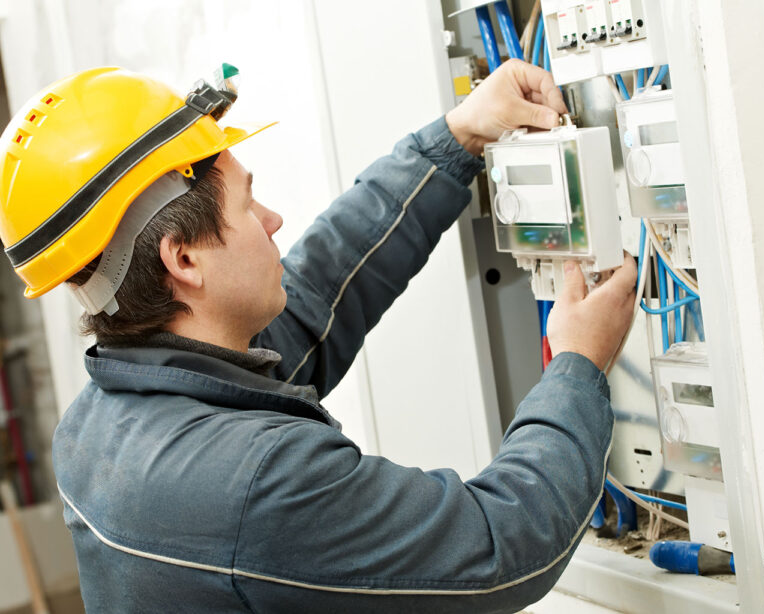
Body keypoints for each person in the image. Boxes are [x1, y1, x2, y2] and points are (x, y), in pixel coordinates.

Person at [0, 60, 636, 612]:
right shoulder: (251, 483)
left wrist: (455, 139)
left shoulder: (103, 422)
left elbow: (320, 292)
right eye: (250, 206)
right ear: (183, 260)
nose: (273, 220)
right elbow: (505, 543)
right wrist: (579, 362)